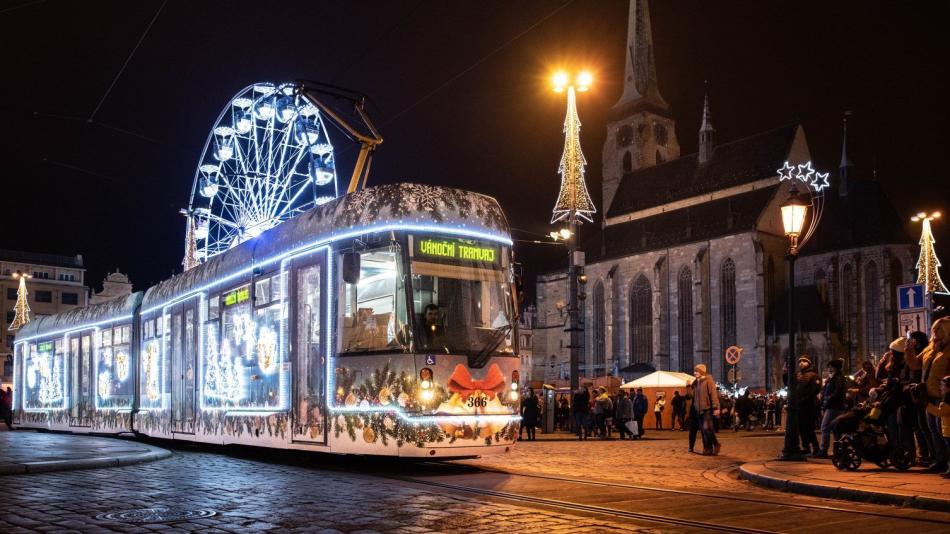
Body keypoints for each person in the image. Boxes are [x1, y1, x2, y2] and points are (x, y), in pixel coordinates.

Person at [909, 318, 950, 473]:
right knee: (933, 429)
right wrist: (909, 350)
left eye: (939, 329)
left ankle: (947, 463)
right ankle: (940, 461)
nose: (935, 332)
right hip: (929, 395)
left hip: (944, 396)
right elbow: (914, 364)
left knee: (944, 431)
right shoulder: (930, 348)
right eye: (934, 328)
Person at [816, 358, 846, 458]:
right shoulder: (833, 378)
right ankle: (838, 451)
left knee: (825, 427)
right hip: (832, 406)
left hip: (834, 406)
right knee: (836, 428)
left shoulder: (838, 378)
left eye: (831, 367)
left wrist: (828, 399)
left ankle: (824, 450)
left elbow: (837, 391)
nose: (829, 369)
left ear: (835, 368)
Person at [692, 364, 721, 455]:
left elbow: (713, 394)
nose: (694, 373)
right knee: (703, 430)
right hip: (698, 409)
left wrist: (715, 407)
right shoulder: (696, 382)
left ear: (701, 372)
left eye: (696, 371)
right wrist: (688, 386)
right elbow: (691, 396)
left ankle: (716, 444)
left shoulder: (708, 380)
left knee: (707, 428)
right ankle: (707, 449)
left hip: (707, 409)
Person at [925, 375, 950, 477]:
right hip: (947, 430)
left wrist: (926, 405)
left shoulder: (948, 399)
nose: (940, 388)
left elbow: (940, 413)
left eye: (942, 385)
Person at [796, 356, 821, 455]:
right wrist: (785, 373)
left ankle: (815, 447)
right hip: (800, 405)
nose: (801, 363)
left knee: (809, 428)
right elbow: (790, 385)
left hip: (809, 405)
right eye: (800, 361)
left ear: (809, 363)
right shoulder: (799, 375)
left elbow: (815, 389)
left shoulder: (813, 375)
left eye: (804, 361)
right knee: (802, 428)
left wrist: (804, 398)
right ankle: (806, 447)